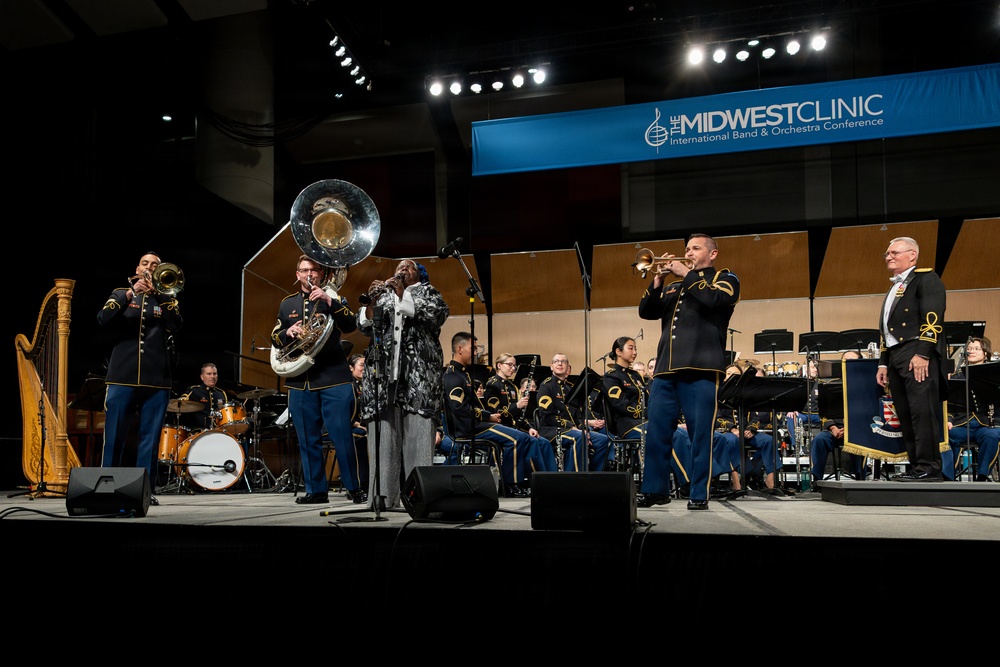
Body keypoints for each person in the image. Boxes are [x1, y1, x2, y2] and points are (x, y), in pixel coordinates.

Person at [636, 233, 740, 510]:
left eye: (696, 248)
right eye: (687, 249)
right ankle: (655, 490)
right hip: (665, 371)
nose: (689, 253)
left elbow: (715, 300)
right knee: (656, 433)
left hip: (701, 370)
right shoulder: (675, 286)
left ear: (713, 254)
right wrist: (657, 282)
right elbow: (647, 312)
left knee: (700, 436)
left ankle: (698, 493)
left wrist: (686, 273)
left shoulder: (726, 279)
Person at [271, 255, 365, 505]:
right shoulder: (287, 303)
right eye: (304, 270)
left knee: (343, 437)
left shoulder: (335, 298)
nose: (309, 274)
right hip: (300, 380)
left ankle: (354, 487)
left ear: (322, 274)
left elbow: (350, 323)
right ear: (297, 274)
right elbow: (275, 337)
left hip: (334, 377)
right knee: (307, 439)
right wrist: (288, 332)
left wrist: (329, 301)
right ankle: (316, 490)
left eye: (314, 270)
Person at [357, 258, 449, 510]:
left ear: (420, 274)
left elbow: (436, 315)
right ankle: (382, 498)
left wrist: (401, 295)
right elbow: (364, 326)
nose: (401, 269)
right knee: (383, 437)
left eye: (408, 266)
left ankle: (419, 498)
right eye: (399, 266)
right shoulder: (384, 295)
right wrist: (374, 300)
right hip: (383, 375)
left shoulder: (429, 292)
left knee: (418, 437)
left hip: (419, 375)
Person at [98, 251, 183, 503]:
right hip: (122, 376)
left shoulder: (168, 297)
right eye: (145, 263)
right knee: (114, 437)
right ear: (137, 267)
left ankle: (145, 491)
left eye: (155, 264)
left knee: (150, 439)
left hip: (157, 379)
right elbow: (103, 319)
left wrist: (161, 294)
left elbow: (176, 324)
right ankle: (106, 489)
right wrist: (131, 293)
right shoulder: (120, 293)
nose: (149, 267)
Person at [443, 333, 556, 496]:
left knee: (525, 437)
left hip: (476, 424)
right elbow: (459, 408)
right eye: (473, 348)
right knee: (518, 438)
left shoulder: (463, 373)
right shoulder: (453, 375)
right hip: (468, 428)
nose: (475, 353)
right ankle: (510, 484)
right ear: (459, 349)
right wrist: (487, 416)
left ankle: (532, 482)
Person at [876, 236, 947, 482]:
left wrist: (922, 353)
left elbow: (933, 318)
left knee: (921, 411)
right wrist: (883, 361)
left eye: (894, 252)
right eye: (887, 253)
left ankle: (929, 467)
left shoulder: (926, 279)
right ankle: (918, 466)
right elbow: (886, 329)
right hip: (897, 355)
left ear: (912, 255)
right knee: (905, 413)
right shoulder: (894, 286)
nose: (888, 256)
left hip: (916, 351)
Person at [536, 353, 612, 472]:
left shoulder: (570, 388)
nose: (560, 363)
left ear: (568, 367)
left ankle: (593, 476)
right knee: (579, 437)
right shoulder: (546, 386)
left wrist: (583, 428)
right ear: (551, 366)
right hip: (552, 430)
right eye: (556, 361)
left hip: (574, 430)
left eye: (563, 361)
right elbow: (547, 416)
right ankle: (572, 479)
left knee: (603, 440)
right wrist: (572, 427)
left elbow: (577, 416)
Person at [943, 337, 998, 481]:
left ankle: (982, 476)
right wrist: (948, 420)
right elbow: (948, 405)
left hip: (987, 424)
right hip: (962, 424)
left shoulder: (995, 375)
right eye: (969, 349)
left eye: (976, 348)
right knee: (945, 435)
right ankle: (948, 477)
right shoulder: (956, 377)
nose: (971, 351)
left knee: (992, 436)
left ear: (985, 353)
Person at [809, 350, 868, 483]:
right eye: (845, 360)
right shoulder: (829, 384)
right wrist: (833, 428)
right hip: (834, 430)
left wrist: (849, 429)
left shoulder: (865, 385)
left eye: (851, 361)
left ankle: (861, 480)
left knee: (861, 441)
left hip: (856, 430)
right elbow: (822, 412)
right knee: (819, 440)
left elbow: (866, 411)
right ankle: (816, 480)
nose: (847, 363)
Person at [179, 362, 239, 433]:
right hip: (197, 432)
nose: (212, 377)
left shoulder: (221, 393)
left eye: (214, 374)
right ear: (202, 377)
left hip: (217, 431)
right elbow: (181, 403)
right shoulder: (194, 390)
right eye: (209, 374)